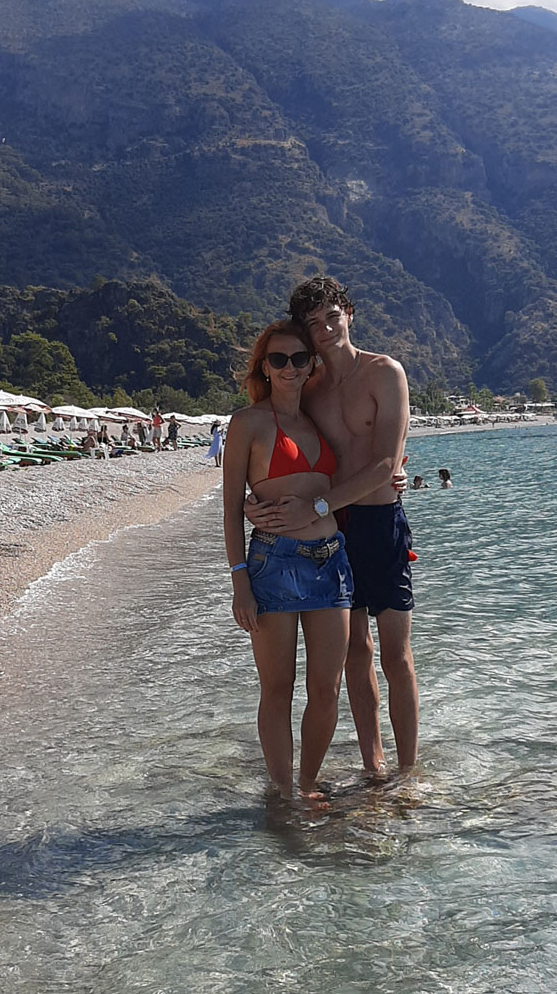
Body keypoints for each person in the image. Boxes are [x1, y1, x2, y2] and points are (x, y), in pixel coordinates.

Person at [246, 275, 418, 773]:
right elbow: (280, 449)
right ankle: (374, 764)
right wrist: (254, 501)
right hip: (334, 530)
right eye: (313, 323)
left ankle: (408, 773)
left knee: (396, 655)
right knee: (355, 653)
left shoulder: (385, 372)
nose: (324, 329)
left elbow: (385, 463)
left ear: (349, 315)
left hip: (379, 521)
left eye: (332, 316)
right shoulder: (309, 387)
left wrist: (319, 506)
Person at [223, 319, 353, 804]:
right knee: (278, 688)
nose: (289, 368)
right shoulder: (248, 423)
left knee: (327, 688)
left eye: (299, 358)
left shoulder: (319, 417)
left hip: (331, 562)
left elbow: (360, 466)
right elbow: (230, 508)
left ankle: (307, 784)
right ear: (264, 366)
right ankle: (281, 794)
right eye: (278, 359)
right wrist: (239, 581)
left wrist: (395, 476)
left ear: (311, 363)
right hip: (273, 564)